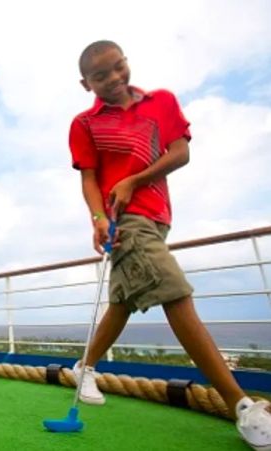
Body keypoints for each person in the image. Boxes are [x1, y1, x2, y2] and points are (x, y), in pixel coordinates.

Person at [68, 40, 270, 449]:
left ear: (127, 62)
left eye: (118, 67)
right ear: (85, 83)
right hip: (127, 222)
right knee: (176, 296)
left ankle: (84, 366)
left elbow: (181, 153)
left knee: (122, 304)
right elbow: (89, 178)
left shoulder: (161, 102)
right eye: (100, 76)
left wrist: (134, 179)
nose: (114, 79)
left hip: (158, 218)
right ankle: (241, 406)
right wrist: (98, 217)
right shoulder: (85, 123)